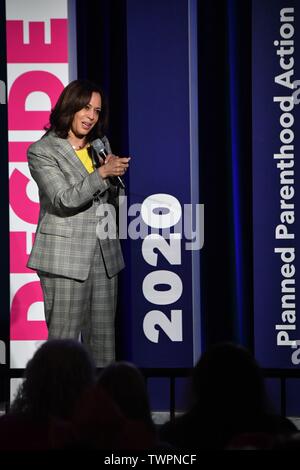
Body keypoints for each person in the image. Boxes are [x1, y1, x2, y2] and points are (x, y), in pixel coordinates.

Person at [26, 79, 130, 367]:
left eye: (96, 111)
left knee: (103, 346)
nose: (91, 116)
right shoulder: (42, 151)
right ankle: (57, 409)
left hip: (104, 256)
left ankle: (99, 408)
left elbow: (109, 200)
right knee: (63, 345)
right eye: (85, 108)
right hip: (65, 259)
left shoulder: (100, 145)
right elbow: (63, 200)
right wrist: (102, 174)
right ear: (69, 107)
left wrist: (115, 179)